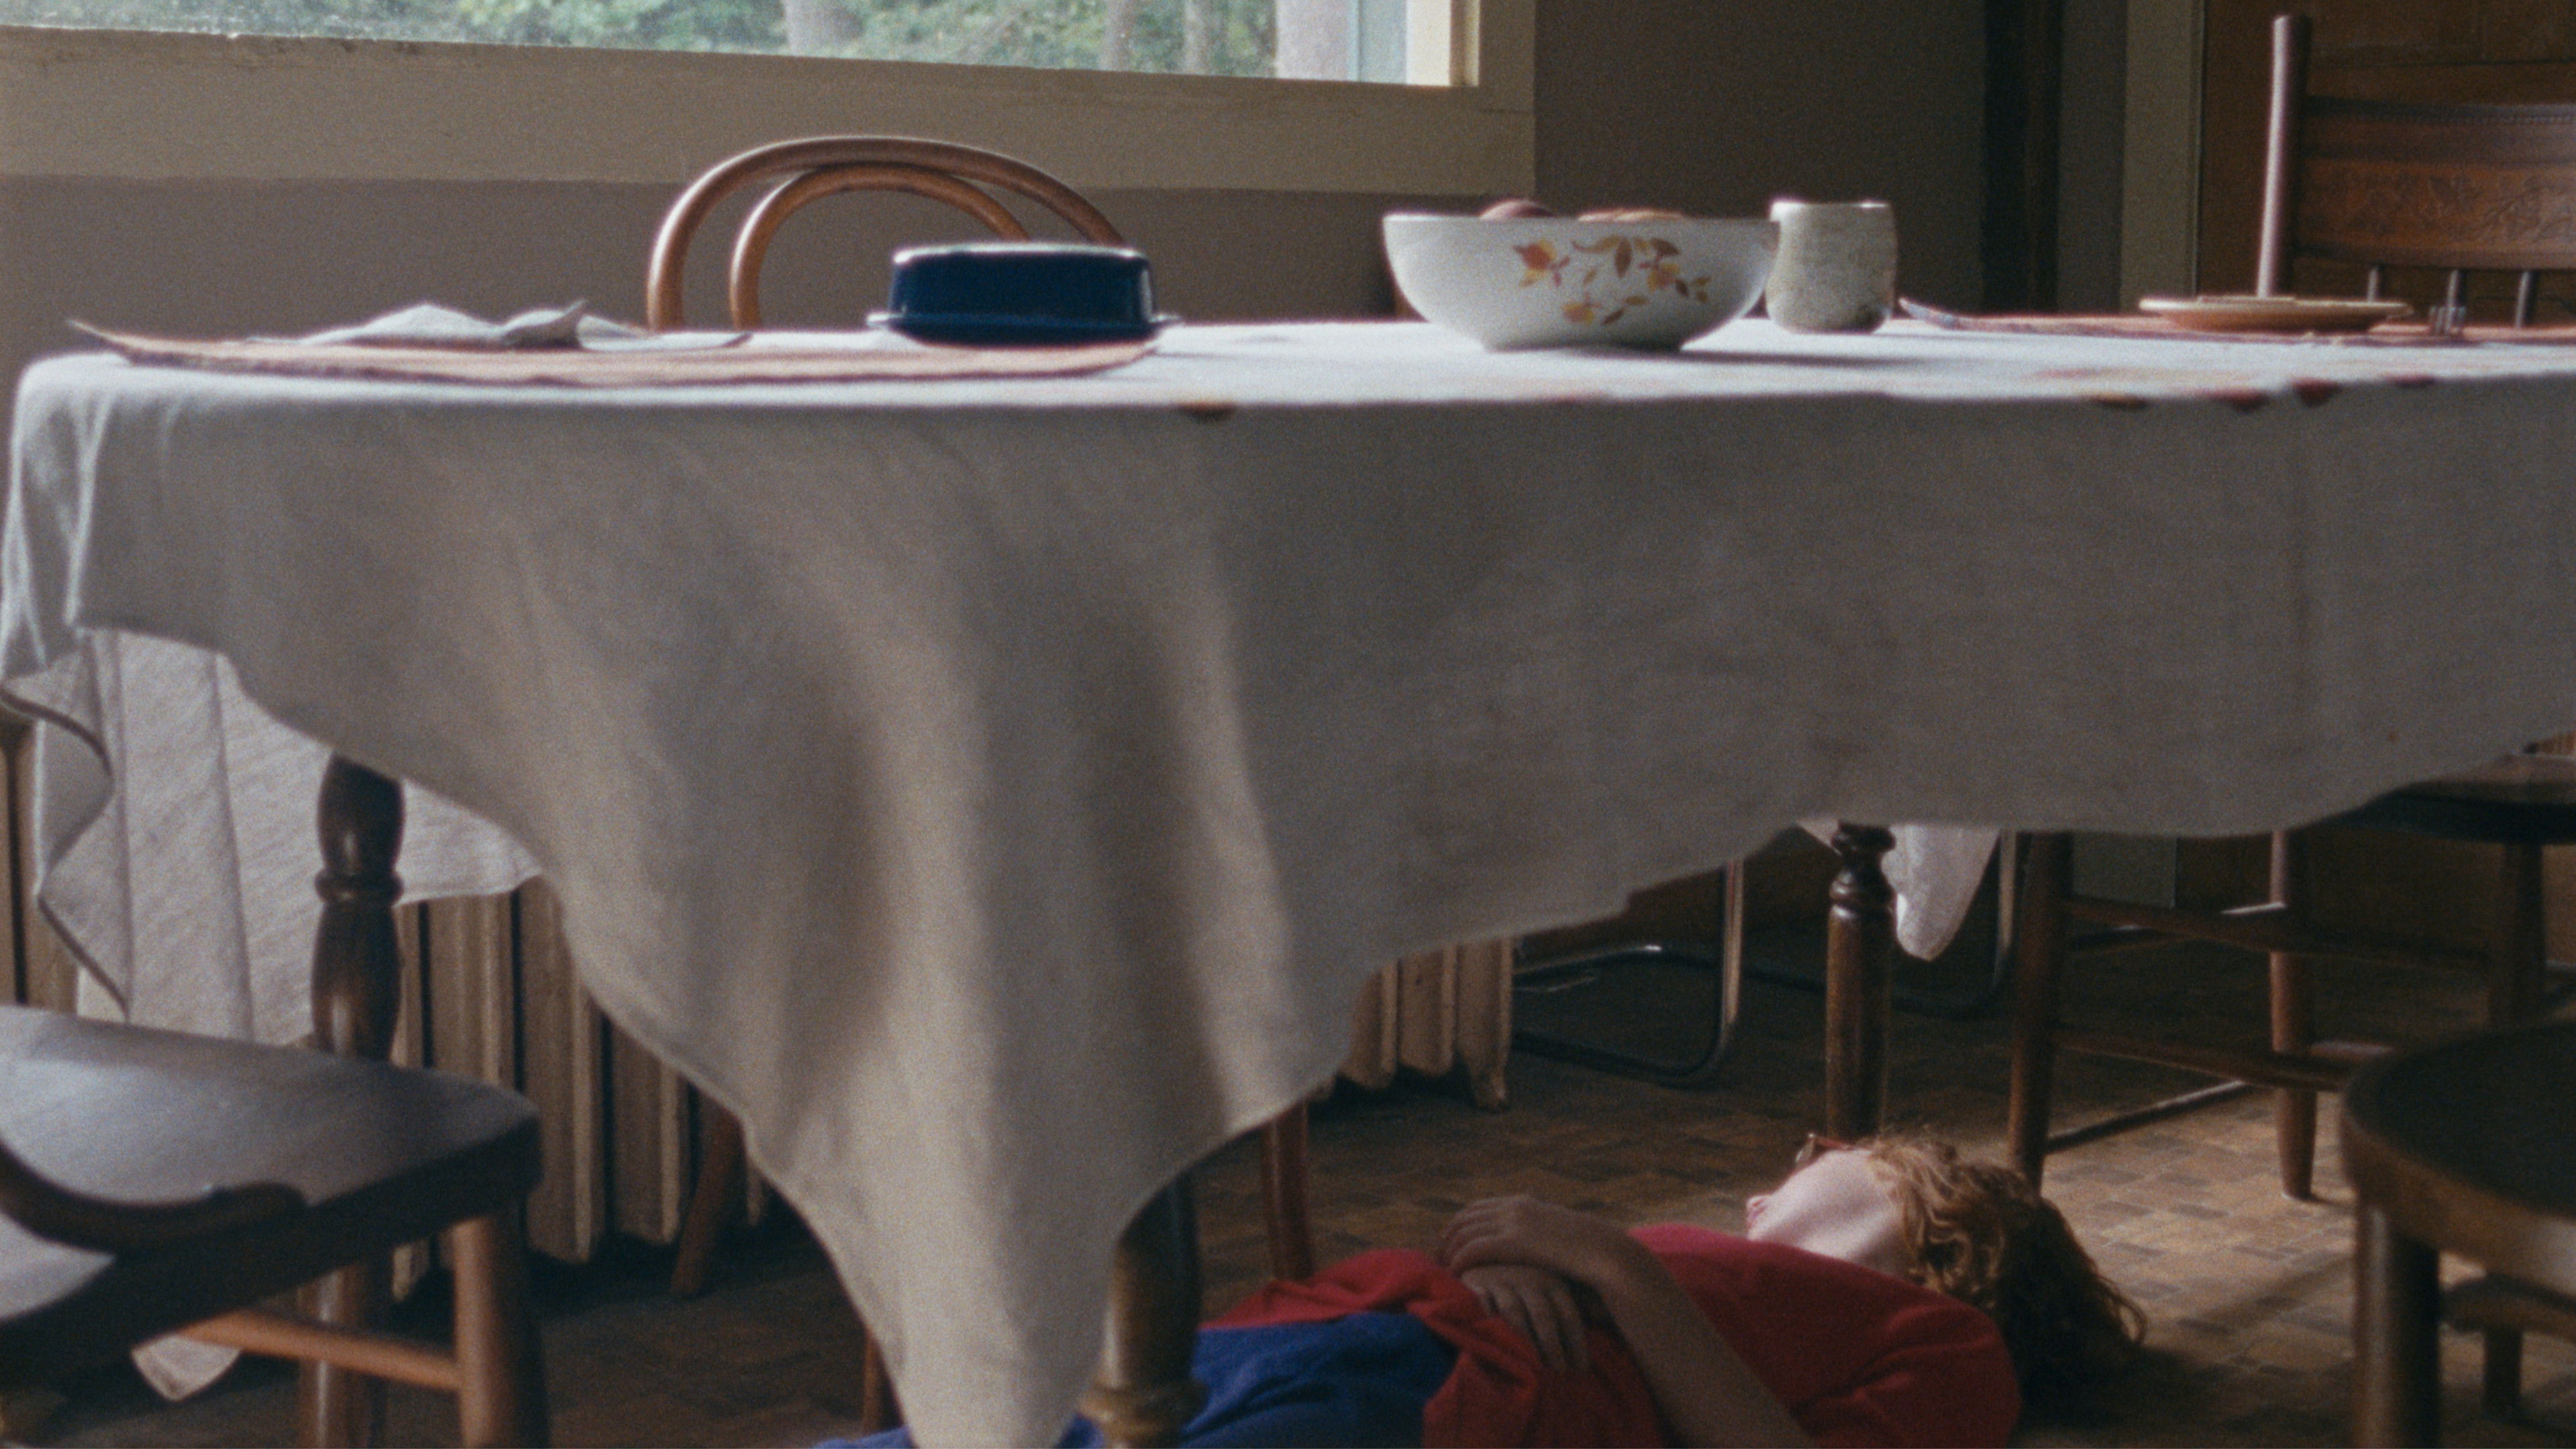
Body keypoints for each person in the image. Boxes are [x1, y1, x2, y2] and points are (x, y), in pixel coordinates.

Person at [849, 1132, 2142, 1448]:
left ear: (1929, 1204)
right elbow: (1494, 1256)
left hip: (1443, 1406)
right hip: (1334, 1333)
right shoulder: (1695, 1262)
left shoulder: (1956, 1342)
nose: (1772, 1185)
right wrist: (1531, 1254)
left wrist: (1611, 1262)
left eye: (1831, 1152)